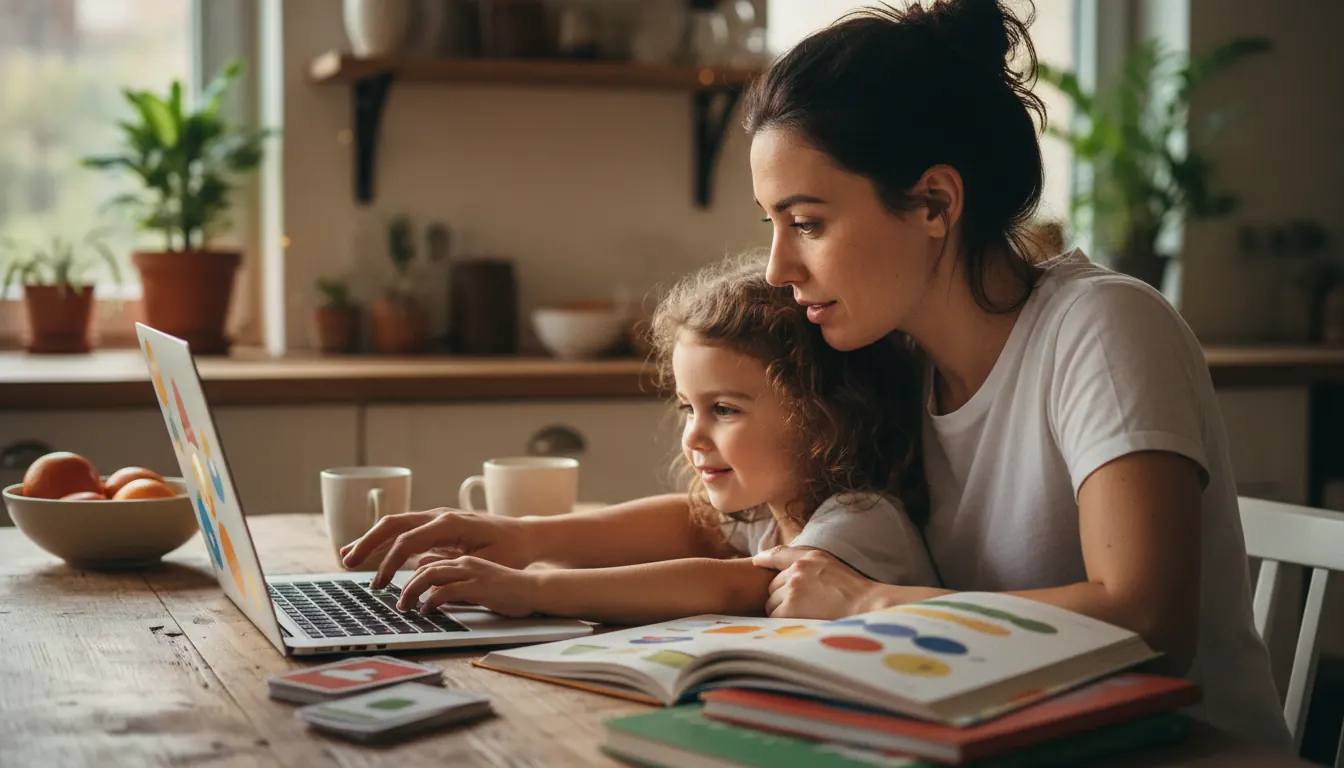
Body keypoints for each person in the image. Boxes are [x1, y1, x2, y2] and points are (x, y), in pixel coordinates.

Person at [739, 0, 1291, 750]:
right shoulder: (892, 362)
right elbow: (732, 516)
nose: (778, 268)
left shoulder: (1103, 327)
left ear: (935, 202)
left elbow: (1151, 626)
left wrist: (873, 602)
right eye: (771, 225)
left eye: (806, 223)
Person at [342, 255, 938, 625]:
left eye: (723, 409)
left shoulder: (862, 518)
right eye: (687, 408)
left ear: (823, 417)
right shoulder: (771, 509)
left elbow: (736, 586)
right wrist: (522, 537)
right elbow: (690, 521)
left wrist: (531, 589)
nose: (693, 436)